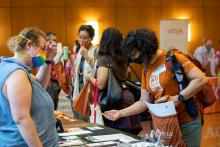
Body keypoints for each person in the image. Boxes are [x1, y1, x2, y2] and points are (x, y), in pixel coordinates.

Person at [103, 28, 208, 146]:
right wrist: (120, 113)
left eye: (134, 54)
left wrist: (178, 98)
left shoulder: (173, 58)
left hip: (187, 120)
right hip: (166, 123)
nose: (133, 59)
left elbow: (201, 79)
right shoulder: (146, 70)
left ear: (144, 47)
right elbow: (143, 102)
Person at [0, 27, 58, 146]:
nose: (44, 52)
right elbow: (21, 119)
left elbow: (39, 86)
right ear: (29, 44)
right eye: (42, 48)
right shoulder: (17, 74)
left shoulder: (14, 68)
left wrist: (48, 60)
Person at [86, 27, 142, 134]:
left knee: (113, 136)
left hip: (113, 101)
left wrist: (89, 78)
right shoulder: (123, 57)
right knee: (128, 137)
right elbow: (126, 75)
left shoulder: (104, 59)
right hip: (127, 97)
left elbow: (101, 84)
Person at [72, 25, 98, 120]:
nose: (82, 40)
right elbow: (77, 70)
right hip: (80, 86)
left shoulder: (96, 50)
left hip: (90, 86)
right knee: (81, 115)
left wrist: (87, 56)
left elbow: (97, 70)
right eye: (80, 37)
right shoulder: (80, 50)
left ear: (91, 38)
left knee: (90, 116)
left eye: (85, 37)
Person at [46, 32, 62, 110]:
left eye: (56, 41)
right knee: (51, 108)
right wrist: (49, 84)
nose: (55, 43)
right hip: (50, 83)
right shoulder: (45, 53)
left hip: (57, 82)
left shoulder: (55, 52)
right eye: (53, 40)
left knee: (54, 106)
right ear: (47, 41)